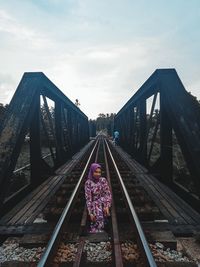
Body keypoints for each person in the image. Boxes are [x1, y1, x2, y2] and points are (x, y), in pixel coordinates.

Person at [85, 163, 112, 233]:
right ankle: (99, 226)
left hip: (104, 202)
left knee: (102, 204)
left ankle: (103, 224)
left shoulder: (103, 180)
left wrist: (107, 206)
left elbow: (108, 193)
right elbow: (88, 198)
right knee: (96, 206)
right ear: (92, 172)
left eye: (99, 172)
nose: (98, 174)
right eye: (96, 172)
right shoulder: (88, 183)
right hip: (95, 204)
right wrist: (90, 213)